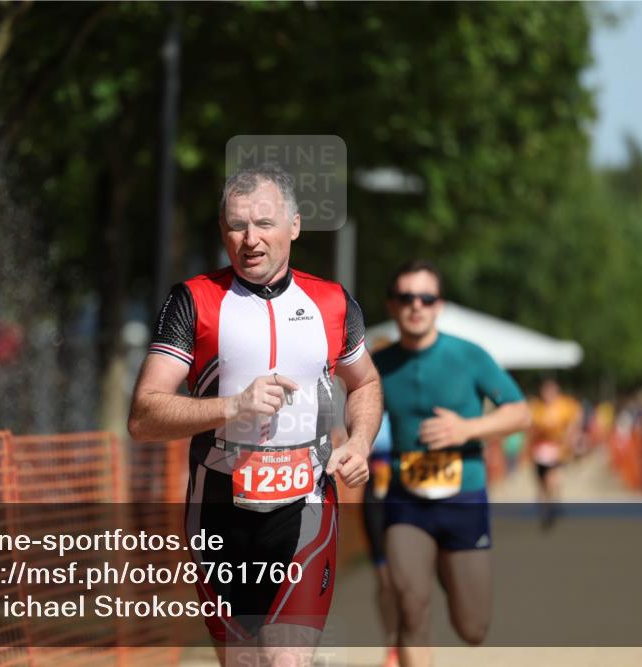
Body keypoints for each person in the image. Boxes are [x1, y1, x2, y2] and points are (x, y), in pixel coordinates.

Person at [128, 164, 382, 667]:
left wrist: (359, 443)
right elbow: (143, 416)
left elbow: (366, 383)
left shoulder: (332, 303)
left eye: (263, 223)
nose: (250, 239)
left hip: (305, 506)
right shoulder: (194, 301)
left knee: (284, 659)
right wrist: (233, 405)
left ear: (294, 225)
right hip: (219, 511)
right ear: (223, 231)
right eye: (236, 226)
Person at [373, 260, 530, 667]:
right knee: (411, 607)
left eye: (426, 297)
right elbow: (351, 410)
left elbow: (519, 412)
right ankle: (424, 577)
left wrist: (467, 429)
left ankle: (447, 568)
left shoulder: (469, 356)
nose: (416, 306)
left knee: (473, 628)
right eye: (406, 297)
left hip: (463, 500)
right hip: (406, 501)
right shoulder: (379, 364)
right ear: (392, 305)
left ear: (439, 304)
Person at [361, 412, 399, 667]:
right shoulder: (363, 392)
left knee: (408, 578)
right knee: (385, 579)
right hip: (375, 491)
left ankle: (414, 639)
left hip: (407, 486)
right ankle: (393, 646)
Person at [528, 378, 582, 529]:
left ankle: (551, 506)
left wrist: (571, 437)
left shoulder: (564, 405)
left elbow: (576, 417)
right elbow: (531, 427)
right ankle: (545, 505)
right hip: (539, 450)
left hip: (556, 449)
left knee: (552, 478)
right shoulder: (537, 407)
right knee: (541, 483)